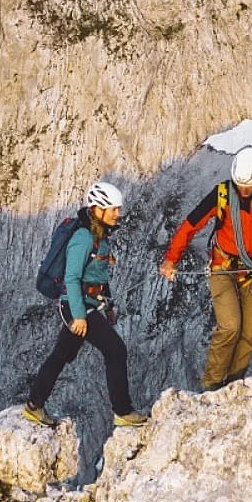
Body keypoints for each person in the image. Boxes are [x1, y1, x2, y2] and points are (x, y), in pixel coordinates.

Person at [159, 146, 252, 390]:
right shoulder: (222, 194)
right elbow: (191, 225)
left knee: (248, 335)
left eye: (247, 186)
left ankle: (233, 383)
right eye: (240, 185)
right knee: (230, 325)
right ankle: (211, 383)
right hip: (222, 268)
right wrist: (171, 260)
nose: (243, 190)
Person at [26, 182, 149, 427]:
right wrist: (80, 316)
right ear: (98, 209)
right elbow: (71, 279)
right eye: (113, 209)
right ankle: (122, 411)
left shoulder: (99, 236)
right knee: (116, 351)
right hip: (76, 306)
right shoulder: (83, 237)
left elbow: (98, 277)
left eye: (117, 209)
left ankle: (34, 405)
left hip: (86, 304)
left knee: (61, 355)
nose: (118, 214)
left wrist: (109, 305)